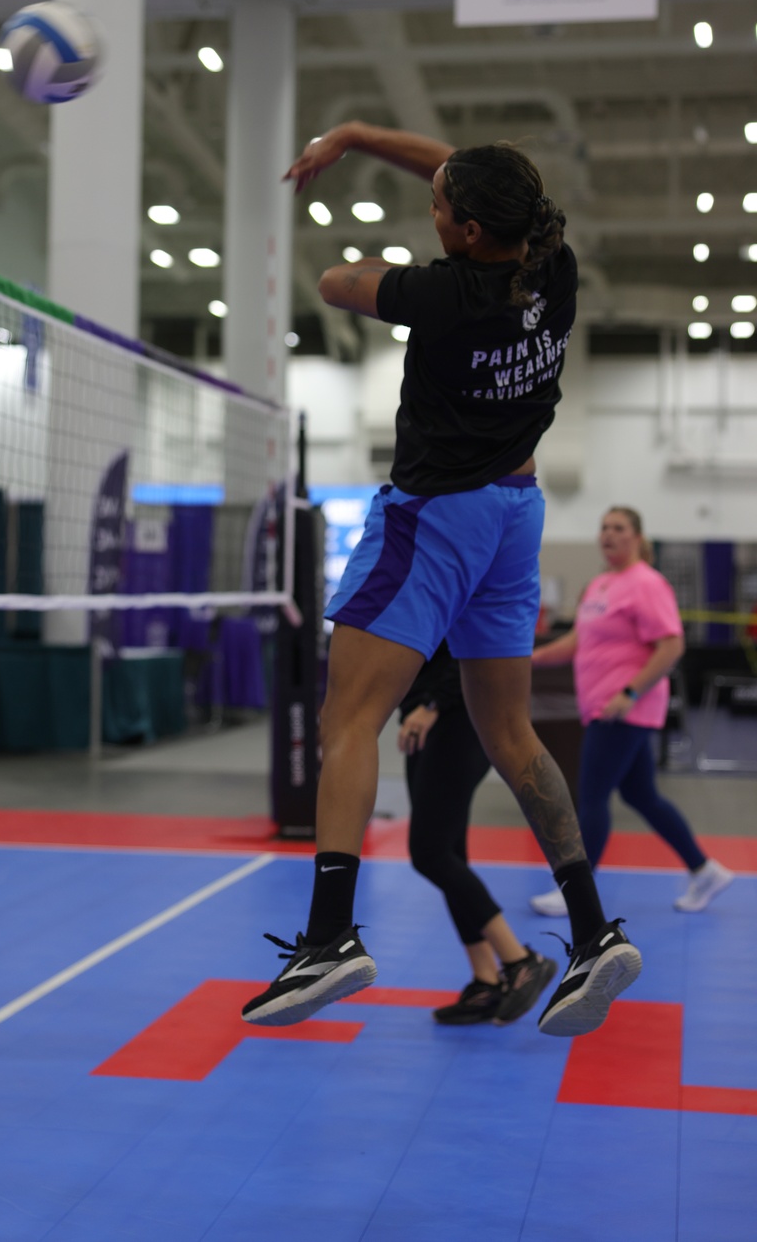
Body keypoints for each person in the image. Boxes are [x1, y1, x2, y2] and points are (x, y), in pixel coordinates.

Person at [242, 121, 641, 1038]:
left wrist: (374, 251)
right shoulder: (553, 266)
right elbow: (480, 184)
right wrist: (354, 136)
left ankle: (332, 934)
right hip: (517, 512)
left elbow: (334, 283)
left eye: (440, 211)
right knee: (509, 729)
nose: (434, 210)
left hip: (435, 516)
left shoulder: (445, 295)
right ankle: (589, 929)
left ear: (462, 233)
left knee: (347, 717)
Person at [530, 506, 733, 916]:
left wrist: (629, 693)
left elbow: (671, 645)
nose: (608, 535)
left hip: (621, 710)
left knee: (591, 797)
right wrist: (528, 658)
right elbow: (576, 642)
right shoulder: (601, 584)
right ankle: (705, 869)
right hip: (603, 709)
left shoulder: (646, 584)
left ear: (638, 538)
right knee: (642, 795)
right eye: (603, 527)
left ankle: (576, 894)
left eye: (619, 528)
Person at [399, 643, 556, 1025]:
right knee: (450, 851)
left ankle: (520, 959)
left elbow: (470, 647)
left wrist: (432, 703)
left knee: (430, 852)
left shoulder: (451, 583)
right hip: (426, 718)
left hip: (455, 718)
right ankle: (485, 980)